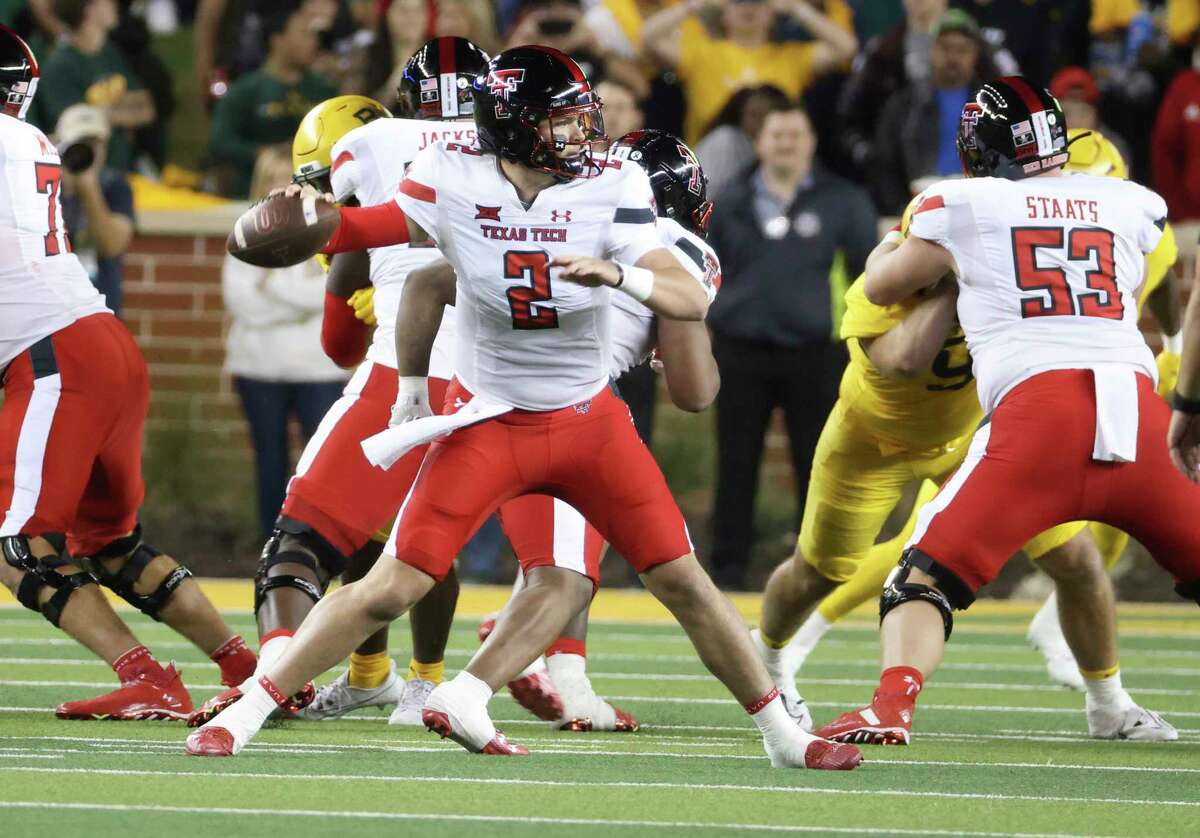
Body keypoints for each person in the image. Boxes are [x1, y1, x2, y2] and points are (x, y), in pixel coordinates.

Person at [186, 45, 862, 771]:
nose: (584, 135)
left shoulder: (614, 181)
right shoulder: (451, 175)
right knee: (391, 585)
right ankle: (250, 711)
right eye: (565, 122)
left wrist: (621, 274)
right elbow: (377, 241)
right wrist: (314, 222)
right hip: (489, 419)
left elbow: (688, 296)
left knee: (683, 581)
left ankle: (784, 737)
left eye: (583, 119)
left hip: (586, 422)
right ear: (514, 127)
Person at [813, 77, 1200, 747]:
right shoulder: (1128, 200)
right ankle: (1107, 704)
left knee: (922, 580)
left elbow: (883, 283)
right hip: (1138, 418)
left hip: (1039, 419)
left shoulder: (961, 202)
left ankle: (891, 706)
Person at [188, 41, 497, 730]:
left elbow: (337, 344)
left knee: (302, 540)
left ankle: (276, 679)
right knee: (429, 540)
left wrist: (352, 279)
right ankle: (427, 681)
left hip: (411, 371)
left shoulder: (374, 143)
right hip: (517, 380)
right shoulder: (526, 153)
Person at [394, 129, 721, 735]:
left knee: (553, 554)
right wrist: (685, 323)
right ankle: (536, 674)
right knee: (573, 573)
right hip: (563, 402)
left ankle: (562, 676)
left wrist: (411, 388)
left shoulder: (551, 210)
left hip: (476, 387)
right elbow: (695, 392)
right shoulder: (672, 245)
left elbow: (426, 277)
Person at [0, 24, 257, 721]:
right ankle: (251, 669)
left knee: (17, 542)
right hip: (98, 341)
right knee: (108, 544)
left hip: (53, 354)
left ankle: (144, 674)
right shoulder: (31, 141)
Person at [705, 102, 876, 590]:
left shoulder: (844, 201)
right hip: (740, 349)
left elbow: (869, 276)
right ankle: (728, 569)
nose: (786, 143)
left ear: (812, 143)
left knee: (820, 463)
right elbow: (706, 269)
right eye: (776, 135)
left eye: (795, 135)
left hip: (817, 353)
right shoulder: (728, 200)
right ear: (759, 143)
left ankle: (817, 570)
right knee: (734, 462)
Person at [222, 145, 350, 542]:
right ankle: (271, 545)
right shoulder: (244, 229)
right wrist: (302, 297)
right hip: (258, 369)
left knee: (323, 465)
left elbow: (332, 296)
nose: (281, 187)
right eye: (272, 178)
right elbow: (244, 304)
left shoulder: (327, 223)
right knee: (270, 464)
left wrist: (273, 286)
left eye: (289, 178)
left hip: (319, 369)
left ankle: (319, 544)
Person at [641, 0, 857, 145]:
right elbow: (648, 37)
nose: (749, 8)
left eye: (759, 2)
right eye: (738, 1)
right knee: (727, 139)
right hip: (716, 160)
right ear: (724, 12)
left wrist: (796, 7)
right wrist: (696, 4)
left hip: (775, 151)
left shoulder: (791, 57)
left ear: (772, 13)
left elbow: (846, 47)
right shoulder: (702, 52)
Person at [208, 4, 339, 198]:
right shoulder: (246, 90)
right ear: (277, 39)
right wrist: (263, 154)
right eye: (304, 34)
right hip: (255, 194)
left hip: (316, 197)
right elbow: (221, 142)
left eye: (314, 35)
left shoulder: (324, 90)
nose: (313, 42)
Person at [871, 9, 988, 214]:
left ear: (975, 55)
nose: (953, 57)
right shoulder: (903, 105)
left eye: (962, 50)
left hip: (977, 207)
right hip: (916, 206)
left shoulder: (993, 108)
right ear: (931, 49)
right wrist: (900, 212)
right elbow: (884, 164)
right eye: (945, 47)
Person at [32, 0, 154, 172]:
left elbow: (147, 109)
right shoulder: (60, 66)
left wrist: (105, 113)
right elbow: (78, 127)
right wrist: (120, 107)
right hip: (87, 175)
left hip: (124, 170)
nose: (114, 4)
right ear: (89, 9)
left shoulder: (110, 53)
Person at [835, 0, 948, 176]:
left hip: (962, 165)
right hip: (900, 174)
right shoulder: (882, 51)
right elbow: (848, 119)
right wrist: (873, 158)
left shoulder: (978, 48)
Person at [53, 103, 133, 314]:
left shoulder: (115, 185)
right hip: (54, 310)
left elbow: (112, 245)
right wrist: (59, 189)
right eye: (80, 143)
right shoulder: (44, 186)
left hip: (101, 308)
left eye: (94, 143)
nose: (88, 152)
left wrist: (89, 188)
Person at [694, 83, 789, 201]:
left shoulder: (786, 145)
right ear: (741, 116)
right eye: (753, 115)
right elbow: (699, 194)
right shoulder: (724, 140)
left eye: (766, 115)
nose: (760, 122)